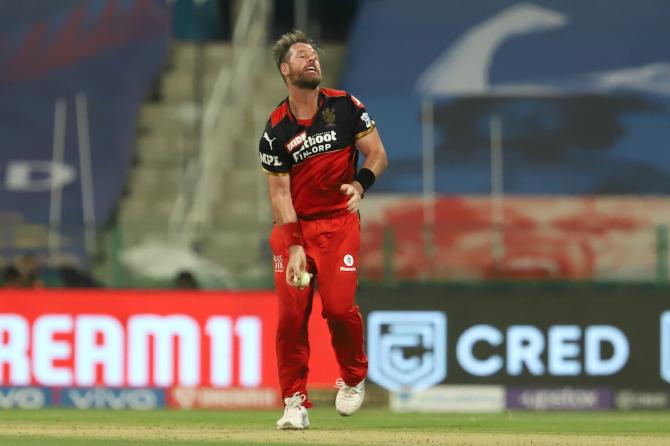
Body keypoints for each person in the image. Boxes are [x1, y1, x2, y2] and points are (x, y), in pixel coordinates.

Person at [259, 30, 388, 430]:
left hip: (338, 224)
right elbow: (280, 196)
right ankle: (294, 402)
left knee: (337, 309)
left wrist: (360, 183)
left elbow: (378, 154)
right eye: (302, 56)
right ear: (286, 70)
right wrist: (294, 245)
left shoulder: (345, 106)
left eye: (314, 54)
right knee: (291, 319)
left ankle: (352, 376)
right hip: (293, 228)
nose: (312, 59)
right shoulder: (276, 130)